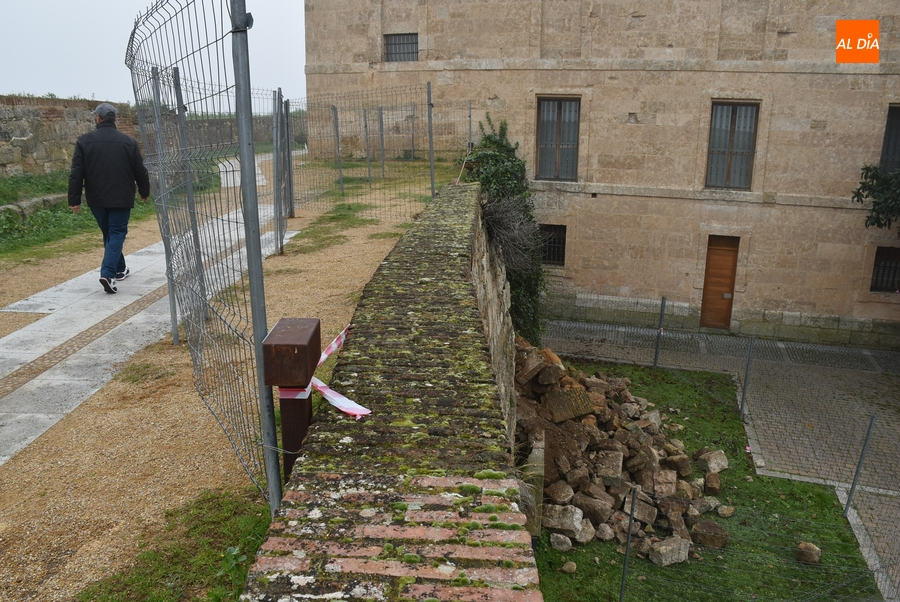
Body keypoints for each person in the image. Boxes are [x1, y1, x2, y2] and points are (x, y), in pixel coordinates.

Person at [68, 102, 151, 294]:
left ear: (98, 118)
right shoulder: (128, 142)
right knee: (116, 233)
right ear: (113, 119)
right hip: (121, 197)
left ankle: (119, 269)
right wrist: (144, 191)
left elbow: (76, 173)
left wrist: (74, 199)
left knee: (110, 233)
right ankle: (108, 273)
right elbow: (140, 170)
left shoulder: (84, 141)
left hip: (96, 197)